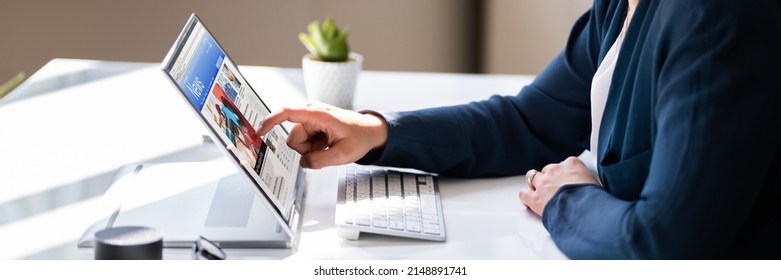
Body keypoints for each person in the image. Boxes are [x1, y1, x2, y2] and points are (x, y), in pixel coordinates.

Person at [257, 0, 781, 259]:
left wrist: (567, 198)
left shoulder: (713, 17)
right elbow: (531, 120)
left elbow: (663, 245)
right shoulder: (619, 6)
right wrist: (376, 132)